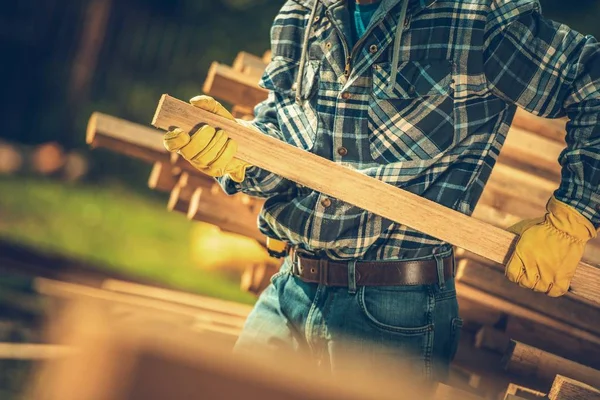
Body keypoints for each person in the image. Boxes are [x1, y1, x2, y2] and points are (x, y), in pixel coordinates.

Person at [163, 0, 599, 382]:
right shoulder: (304, 12)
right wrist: (240, 150)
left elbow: (591, 81)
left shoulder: (477, 17)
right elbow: (287, 139)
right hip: (292, 287)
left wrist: (572, 215)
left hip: (395, 311)